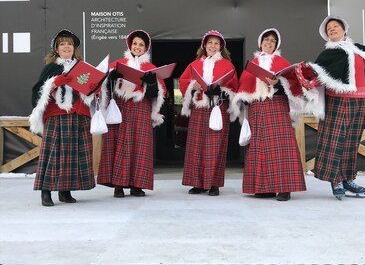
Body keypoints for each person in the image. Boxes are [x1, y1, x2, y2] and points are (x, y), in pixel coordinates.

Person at [307, 15, 365, 200]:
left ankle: (348, 178)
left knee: (352, 141)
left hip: (359, 100)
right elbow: (316, 73)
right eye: (329, 29)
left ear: (344, 30)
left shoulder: (358, 49)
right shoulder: (328, 54)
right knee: (335, 141)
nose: (332, 29)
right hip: (337, 101)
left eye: (335, 26)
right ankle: (336, 180)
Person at [232, 28, 307, 201]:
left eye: (273, 41)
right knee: (260, 147)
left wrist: (278, 82)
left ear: (276, 45)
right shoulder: (253, 64)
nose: (269, 42)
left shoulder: (282, 62)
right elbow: (243, 89)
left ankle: (285, 188)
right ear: (260, 43)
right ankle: (263, 188)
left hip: (277, 105)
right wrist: (244, 99)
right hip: (257, 107)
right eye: (266, 39)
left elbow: (294, 85)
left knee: (281, 147)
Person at [30, 29, 96, 206]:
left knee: (72, 155)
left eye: (70, 44)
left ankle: (65, 191)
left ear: (74, 48)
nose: (66, 46)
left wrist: (94, 88)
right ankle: (46, 192)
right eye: (62, 44)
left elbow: (88, 92)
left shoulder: (82, 68)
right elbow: (38, 92)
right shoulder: (51, 68)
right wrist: (54, 82)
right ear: (56, 49)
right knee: (53, 154)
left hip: (78, 116)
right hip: (57, 116)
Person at [97, 30, 166, 197]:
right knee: (119, 145)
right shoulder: (118, 63)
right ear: (130, 45)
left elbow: (157, 95)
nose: (137, 47)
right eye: (135, 43)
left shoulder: (150, 68)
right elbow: (104, 89)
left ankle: (137, 185)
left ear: (146, 48)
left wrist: (150, 84)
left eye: (141, 45)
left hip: (141, 108)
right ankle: (118, 185)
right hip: (120, 108)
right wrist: (111, 78)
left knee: (140, 147)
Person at [179, 30, 238, 196]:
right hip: (199, 108)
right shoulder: (194, 64)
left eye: (216, 43)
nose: (213, 46)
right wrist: (193, 86)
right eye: (210, 43)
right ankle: (197, 183)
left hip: (218, 108)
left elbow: (234, 88)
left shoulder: (228, 65)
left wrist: (220, 91)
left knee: (216, 146)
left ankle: (214, 184)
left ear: (221, 47)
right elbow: (184, 83)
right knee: (196, 145)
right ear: (204, 45)